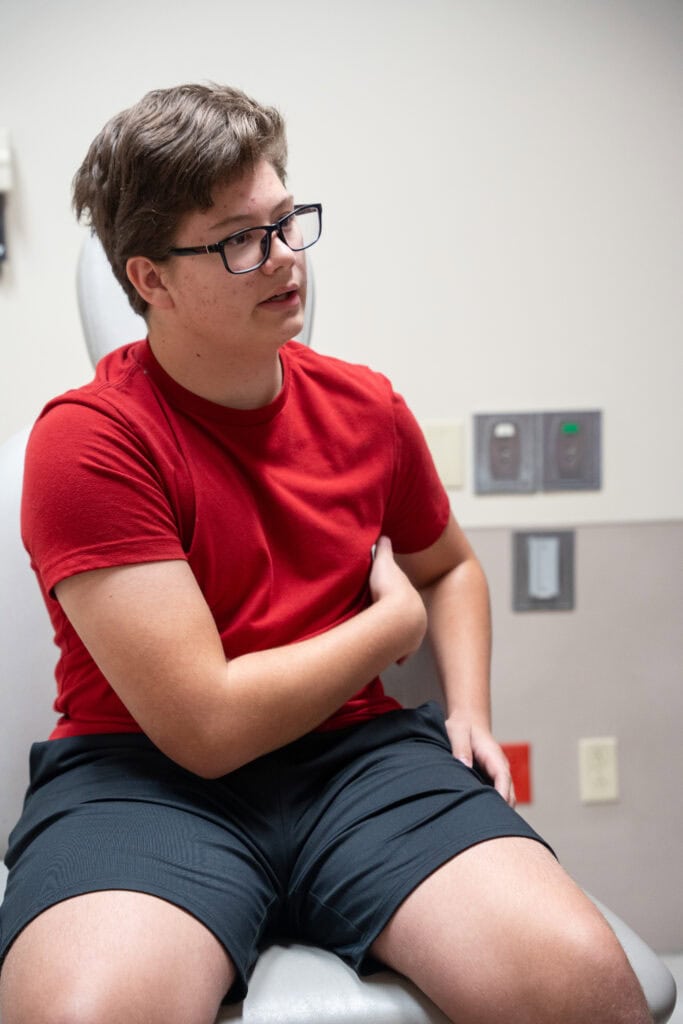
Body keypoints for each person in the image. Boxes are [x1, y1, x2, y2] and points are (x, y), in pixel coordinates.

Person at [0, 84, 651, 1024]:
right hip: (144, 781)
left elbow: (448, 566)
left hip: (357, 762)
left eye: (286, 221)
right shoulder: (89, 442)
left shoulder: (364, 406)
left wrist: (469, 711)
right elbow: (206, 728)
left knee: (587, 992)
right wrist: (390, 627)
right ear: (151, 279)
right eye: (239, 239)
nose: (283, 257)